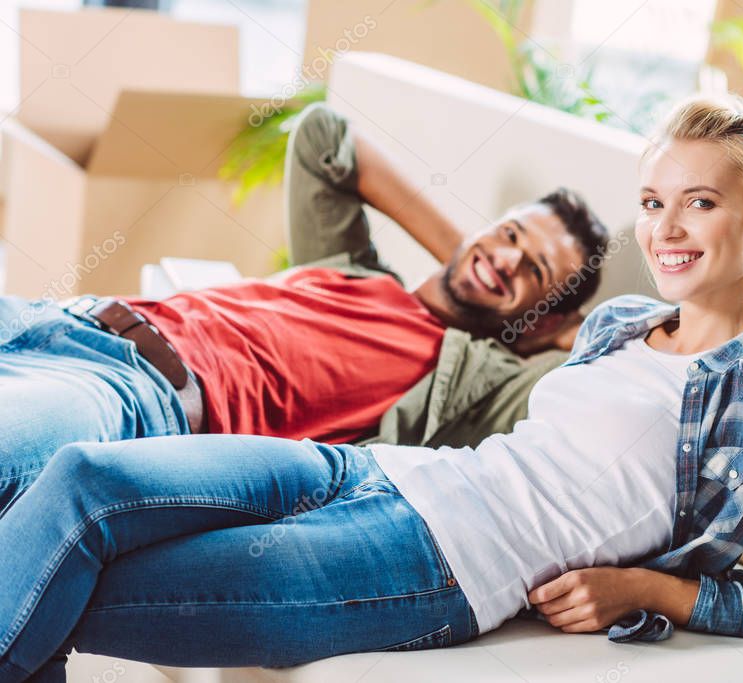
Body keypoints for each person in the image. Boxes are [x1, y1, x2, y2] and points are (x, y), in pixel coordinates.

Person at [0, 93, 743, 682]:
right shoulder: (621, 323)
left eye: (699, 203)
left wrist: (645, 589)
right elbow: (326, 137)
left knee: (69, 580)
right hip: (376, 472)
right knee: (82, 479)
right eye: (651, 201)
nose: (665, 230)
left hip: (442, 561)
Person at [0, 102, 610, 516]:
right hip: (62, 320)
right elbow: (323, 137)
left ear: (548, 316)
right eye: (508, 234)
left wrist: (546, 327)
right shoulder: (353, 265)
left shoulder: (469, 381)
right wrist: (476, 257)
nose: (506, 259)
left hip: (139, 395)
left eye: (534, 271)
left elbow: (617, 369)